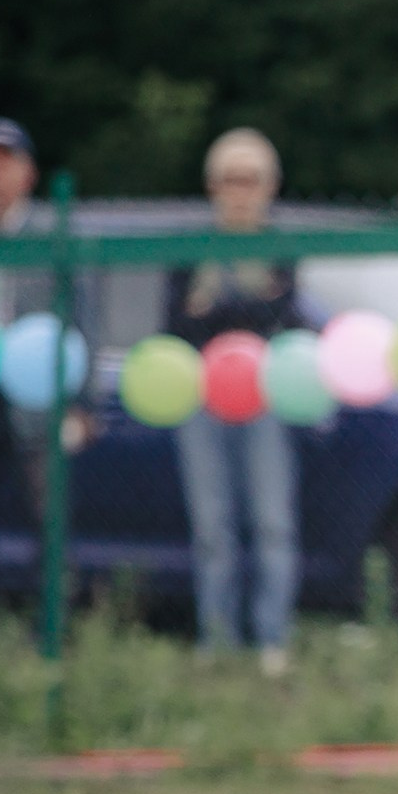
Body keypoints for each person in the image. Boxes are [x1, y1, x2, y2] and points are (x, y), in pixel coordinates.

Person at [168, 128, 305, 673]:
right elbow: (177, 326)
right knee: (211, 528)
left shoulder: (282, 249)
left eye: (250, 180)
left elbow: (284, 319)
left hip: (264, 399)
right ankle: (216, 641)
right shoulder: (190, 250)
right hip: (201, 399)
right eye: (230, 180)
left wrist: (217, 310)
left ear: (269, 187)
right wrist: (245, 308)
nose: (240, 192)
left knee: (272, 522)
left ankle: (272, 640)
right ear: (212, 187)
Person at [0, 118, 45, 602]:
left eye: (6, 163)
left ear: (28, 175)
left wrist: (78, 403)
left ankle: (54, 628)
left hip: (36, 393)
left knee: (49, 513)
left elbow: (80, 318)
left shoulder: (50, 234)